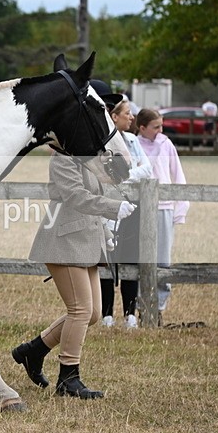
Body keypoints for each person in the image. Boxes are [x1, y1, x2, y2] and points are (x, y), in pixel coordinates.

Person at [12, 149, 136, 399]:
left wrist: (106, 234)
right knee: (80, 310)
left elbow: (93, 197)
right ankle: (68, 378)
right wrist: (114, 207)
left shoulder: (88, 157)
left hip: (85, 241)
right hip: (64, 240)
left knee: (93, 313)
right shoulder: (63, 158)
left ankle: (33, 351)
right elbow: (76, 196)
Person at [92, 90, 153, 329]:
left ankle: (130, 314)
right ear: (114, 117)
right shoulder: (100, 142)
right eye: (127, 113)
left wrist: (123, 176)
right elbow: (101, 173)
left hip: (132, 206)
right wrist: (125, 175)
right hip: (107, 206)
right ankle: (107, 314)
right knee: (108, 257)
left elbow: (147, 169)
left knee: (130, 256)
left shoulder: (132, 141)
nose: (132, 117)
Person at [136, 108, 189, 324]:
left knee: (163, 260)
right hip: (139, 208)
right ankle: (141, 307)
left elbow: (178, 175)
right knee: (141, 259)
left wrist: (180, 208)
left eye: (161, 125)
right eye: (155, 127)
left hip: (164, 207)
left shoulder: (166, 144)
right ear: (142, 128)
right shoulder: (134, 145)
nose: (160, 130)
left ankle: (158, 307)